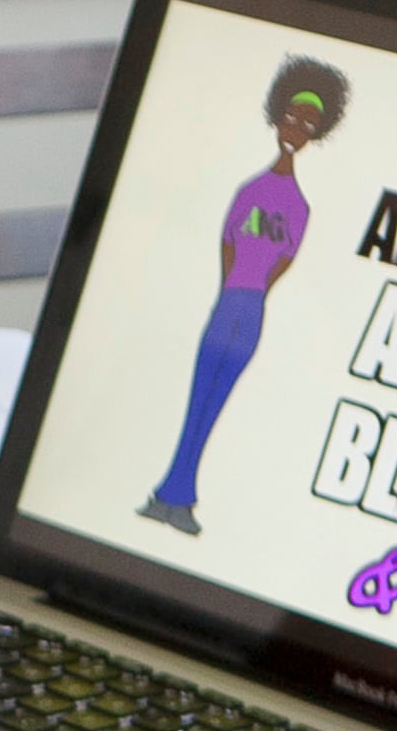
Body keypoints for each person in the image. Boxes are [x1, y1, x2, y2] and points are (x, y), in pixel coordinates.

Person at [137, 56, 350, 536]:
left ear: (317, 131)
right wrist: (232, 289)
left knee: (214, 403)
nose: (296, 127)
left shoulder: (299, 205)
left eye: (308, 122)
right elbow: (229, 241)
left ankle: (179, 496)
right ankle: (171, 495)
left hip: (249, 311)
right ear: (278, 117)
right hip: (229, 303)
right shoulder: (251, 189)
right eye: (292, 117)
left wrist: (251, 293)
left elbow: (284, 259)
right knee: (198, 400)